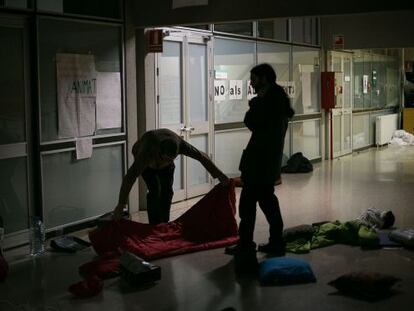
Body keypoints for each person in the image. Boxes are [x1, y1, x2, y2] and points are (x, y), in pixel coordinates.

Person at [227, 64, 294, 269]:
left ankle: (246, 245)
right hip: (267, 162)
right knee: (267, 201)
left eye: (254, 79)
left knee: (247, 204)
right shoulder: (278, 101)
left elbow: (253, 122)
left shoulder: (267, 103)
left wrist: (254, 105)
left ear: (264, 79)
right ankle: (276, 242)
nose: (251, 83)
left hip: (259, 162)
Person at [113, 128, 229, 224]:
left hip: (164, 164)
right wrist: (121, 204)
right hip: (148, 165)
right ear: (159, 152)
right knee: (155, 191)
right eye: (165, 159)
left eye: (171, 159)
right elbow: (130, 177)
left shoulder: (180, 145)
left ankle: (164, 223)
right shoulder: (146, 152)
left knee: (167, 191)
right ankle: (155, 225)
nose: (166, 162)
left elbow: (202, 156)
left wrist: (220, 175)